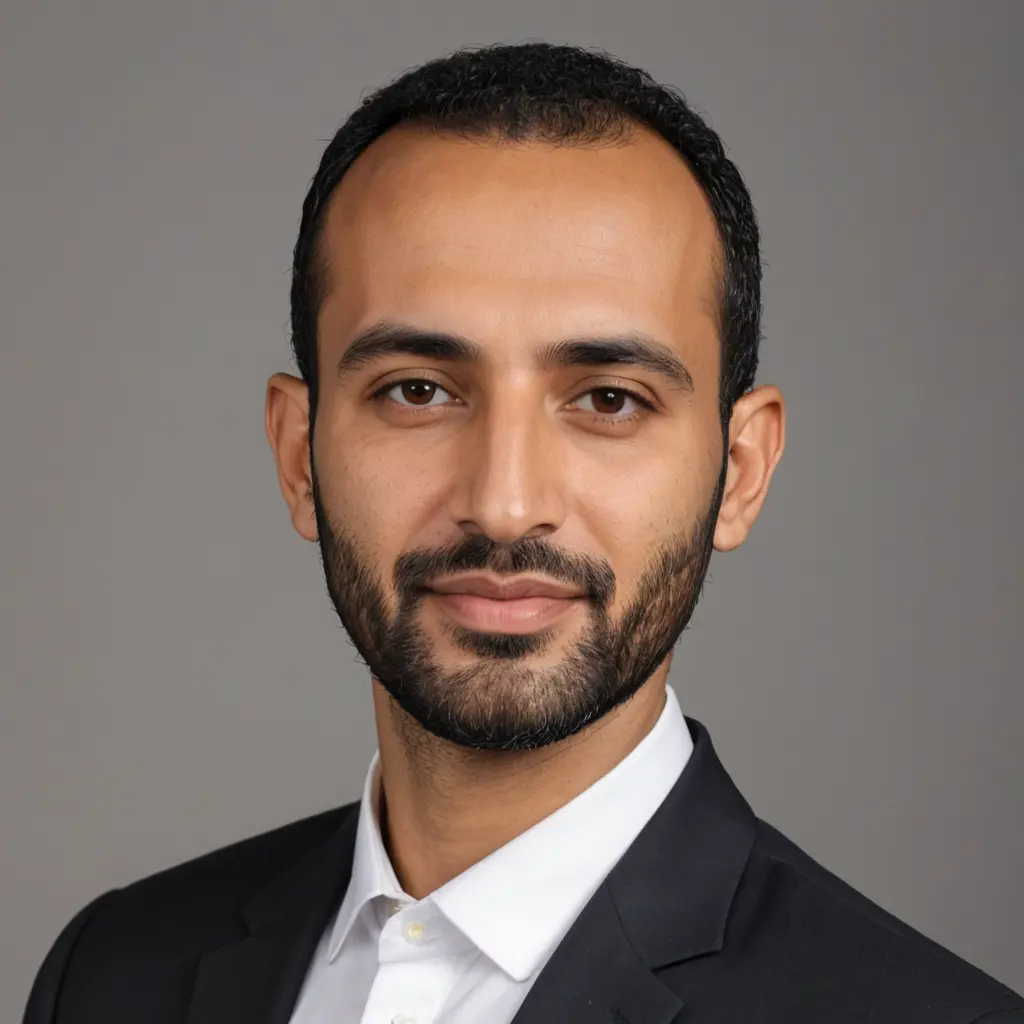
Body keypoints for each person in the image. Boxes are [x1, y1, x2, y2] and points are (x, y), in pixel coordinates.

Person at [24, 41, 1022, 1024]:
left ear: (741, 471)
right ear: (299, 455)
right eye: (418, 391)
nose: (504, 505)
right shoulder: (111, 975)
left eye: (608, 399)